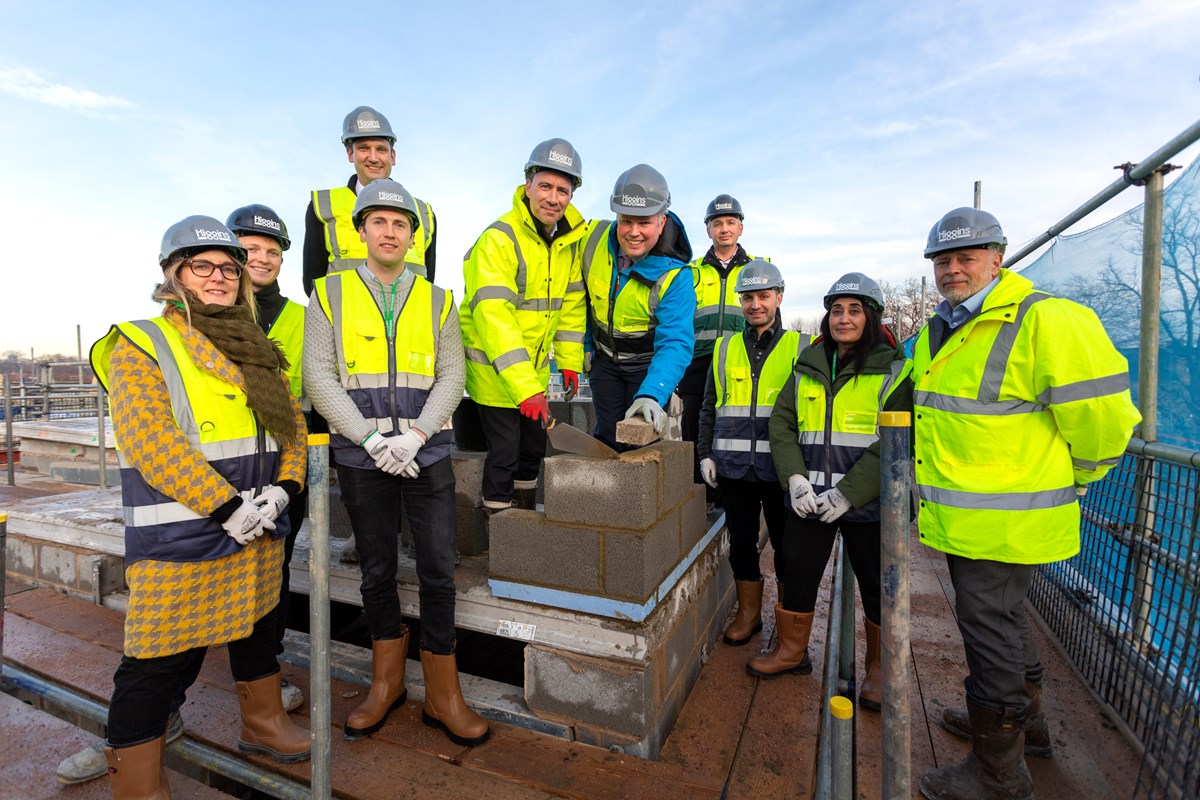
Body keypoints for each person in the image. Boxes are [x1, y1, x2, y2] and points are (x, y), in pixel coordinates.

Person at [913, 208, 1140, 800]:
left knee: (988, 631)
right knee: (1008, 620)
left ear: (998, 258)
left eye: (966, 258)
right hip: (977, 519)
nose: (953, 269)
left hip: (1005, 520)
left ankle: (998, 774)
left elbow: (1106, 421)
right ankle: (1028, 726)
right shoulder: (951, 328)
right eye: (943, 260)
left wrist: (1080, 477)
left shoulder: (1045, 321)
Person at [89, 215, 311, 798]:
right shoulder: (141, 342)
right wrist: (224, 506)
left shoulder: (260, 347)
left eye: (229, 269)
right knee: (157, 658)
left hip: (258, 527)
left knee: (260, 629)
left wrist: (285, 489)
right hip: (184, 535)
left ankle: (263, 722)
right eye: (202, 266)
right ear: (173, 275)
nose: (218, 278)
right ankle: (137, 784)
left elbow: (292, 430)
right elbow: (150, 440)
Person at [304, 179, 489, 746]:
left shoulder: (437, 299)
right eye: (378, 222)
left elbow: (452, 374)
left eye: (400, 224)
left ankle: (443, 693)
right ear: (360, 231)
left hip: (426, 455)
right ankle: (387, 683)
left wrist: (414, 434)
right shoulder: (328, 295)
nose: (390, 232)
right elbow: (319, 377)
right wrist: (369, 439)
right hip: (362, 462)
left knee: (437, 567)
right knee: (377, 570)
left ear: (414, 236)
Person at [754, 273, 911, 712]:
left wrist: (848, 493)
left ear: (872, 316)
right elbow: (782, 424)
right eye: (837, 310)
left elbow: (896, 440)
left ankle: (880, 669)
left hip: (869, 504)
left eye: (854, 310)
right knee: (799, 570)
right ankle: (790, 651)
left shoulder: (895, 369)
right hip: (810, 502)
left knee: (878, 585)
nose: (843, 319)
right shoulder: (809, 364)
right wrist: (795, 479)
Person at [460, 138, 588, 513]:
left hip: (530, 375)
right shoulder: (500, 239)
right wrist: (523, 389)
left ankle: (524, 515)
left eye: (563, 190)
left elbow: (570, 309)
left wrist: (569, 361)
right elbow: (493, 317)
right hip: (495, 374)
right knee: (504, 452)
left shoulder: (567, 243)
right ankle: (500, 531)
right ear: (528, 185)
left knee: (533, 448)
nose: (553, 198)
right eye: (545, 186)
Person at [696, 260, 807, 647]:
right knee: (741, 545)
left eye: (763, 296)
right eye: (748, 297)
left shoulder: (801, 347)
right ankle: (749, 616)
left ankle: (788, 624)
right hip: (733, 470)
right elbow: (710, 406)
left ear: (779, 296)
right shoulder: (724, 348)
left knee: (787, 550)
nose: (755, 304)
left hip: (782, 472)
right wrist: (705, 453)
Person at [226, 203, 306, 713]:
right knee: (215, 565)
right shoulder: (208, 312)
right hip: (225, 460)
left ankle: (263, 670)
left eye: (272, 251)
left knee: (273, 565)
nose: (262, 258)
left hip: (281, 457)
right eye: (251, 249)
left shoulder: (299, 317)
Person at [580, 163, 695, 449]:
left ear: (662, 221)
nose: (633, 232)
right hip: (604, 362)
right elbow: (578, 298)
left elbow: (675, 343)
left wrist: (653, 394)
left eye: (644, 223)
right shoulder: (591, 242)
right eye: (626, 221)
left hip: (647, 366)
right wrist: (583, 347)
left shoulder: (676, 276)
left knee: (640, 440)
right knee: (607, 438)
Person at [302, 105, 437, 294]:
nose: (373, 158)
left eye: (381, 149)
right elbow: (313, 283)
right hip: (345, 321)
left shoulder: (423, 212)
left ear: (393, 156)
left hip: (408, 321)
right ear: (350, 154)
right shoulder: (324, 206)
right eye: (364, 148)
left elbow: (427, 281)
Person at [681, 195, 761, 508]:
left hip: (738, 364)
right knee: (693, 429)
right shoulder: (691, 272)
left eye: (730, 223)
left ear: (740, 228)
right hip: (698, 363)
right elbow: (679, 322)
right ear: (708, 230)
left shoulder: (757, 269)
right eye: (717, 223)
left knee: (732, 425)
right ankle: (699, 497)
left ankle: (729, 493)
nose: (724, 229)